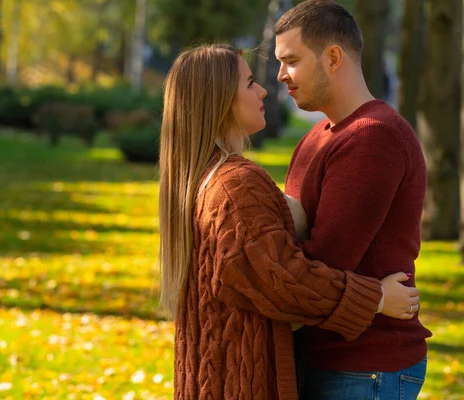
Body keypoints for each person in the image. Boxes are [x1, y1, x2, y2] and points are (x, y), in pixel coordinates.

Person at [158, 44, 421, 400]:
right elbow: (282, 279)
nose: (264, 89)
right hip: (241, 380)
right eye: (250, 83)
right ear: (220, 100)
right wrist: (375, 297)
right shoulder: (234, 185)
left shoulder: (204, 178)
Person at [273, 1, 433, 399]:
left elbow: (322, 261)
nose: (280, 76)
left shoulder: (373, 137)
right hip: (326, 357)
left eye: (291, 61)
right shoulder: (318, 137)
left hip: (365, 366)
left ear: (332, 57)